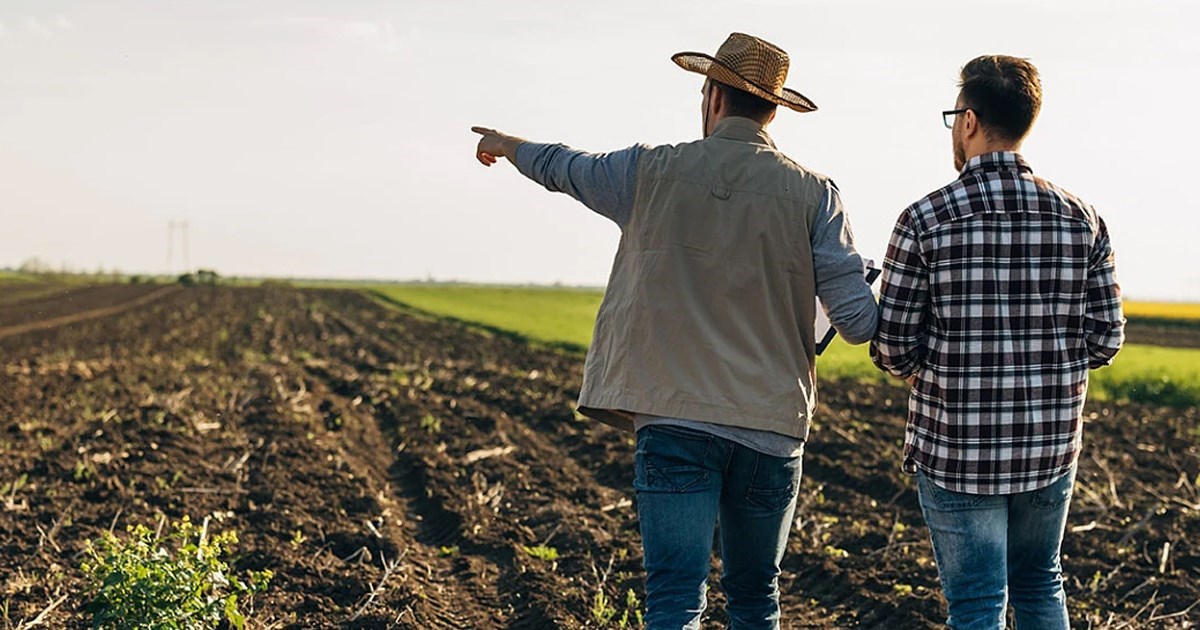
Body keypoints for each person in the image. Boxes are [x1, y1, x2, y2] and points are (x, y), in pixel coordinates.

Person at [473, 32, 877, 630]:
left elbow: (564, 166)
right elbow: (859, 323)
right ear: (772, 112)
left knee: (675, 600)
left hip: (675, 420)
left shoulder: (647, 170)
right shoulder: (816, 195)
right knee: (755, 598)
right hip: (771, 427)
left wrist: (507, 144)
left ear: (713, 96)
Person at [870, 55, 1125, 630]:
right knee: (1040, 583)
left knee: (978, 602)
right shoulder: (1082, 219)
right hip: (1049, 447)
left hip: (956, 450)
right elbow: (1106, 339)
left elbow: (893, 348)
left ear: (968, 120)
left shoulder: (924, 219)